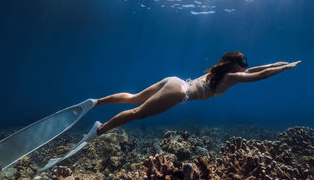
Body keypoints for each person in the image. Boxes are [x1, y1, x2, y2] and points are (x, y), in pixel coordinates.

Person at [82, 51, 300, 142]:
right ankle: (98, 131)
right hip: (180, 92)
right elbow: (259, 75)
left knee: (134, 97)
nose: (245, 68)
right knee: (137, 113)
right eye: (242, 64)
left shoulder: (220, 72)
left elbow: (258, 68)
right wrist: (284, 69)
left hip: (175, 81)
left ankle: (96, 102)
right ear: (233, 64)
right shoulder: (232, 77)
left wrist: (280, 63)